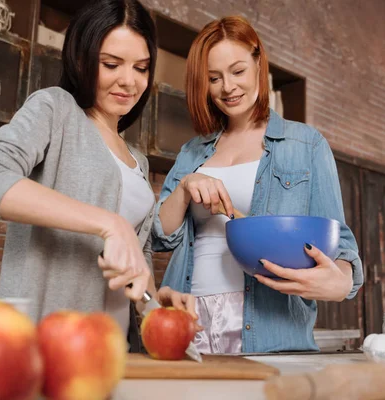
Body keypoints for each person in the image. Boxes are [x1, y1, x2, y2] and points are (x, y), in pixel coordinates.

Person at [0, 0, 197, 350]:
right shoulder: (55, 109)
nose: (129, 81)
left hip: (113, 351)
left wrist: (152, 302)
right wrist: (109, 223)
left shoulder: (138, 161)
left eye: (141, 68)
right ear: (81, 59)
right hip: (47, 346)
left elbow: (136, 258)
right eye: (111, 64)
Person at [152, 16, 364, 353]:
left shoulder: (306, 144)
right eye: (214, 78)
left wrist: (341, 281)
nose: (228, 87)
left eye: (238, 71)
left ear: (258, 63)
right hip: (187, 317)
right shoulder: (192, 152)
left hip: (269, 326)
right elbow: (160, 237)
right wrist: (184, 187)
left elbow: (341, 243)